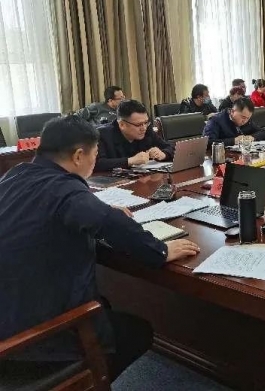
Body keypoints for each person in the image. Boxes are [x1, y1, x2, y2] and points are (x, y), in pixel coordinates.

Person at [0, 115, 199, 382]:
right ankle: (87, 383)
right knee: (136, 332)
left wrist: (95, 206)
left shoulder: (16, 174)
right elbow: (110, 223)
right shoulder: (67, 192)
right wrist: (160, 251)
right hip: (33, 344)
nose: (95, 161)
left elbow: (44, 208)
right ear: (78, 156)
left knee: (104, 304)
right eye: (95, 154)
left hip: (7, 316)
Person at [95, 100, 174, 172]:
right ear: (122, 124)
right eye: (138, 124)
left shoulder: (147, 129)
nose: (144, 128)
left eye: (146, 122)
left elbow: (171, 147)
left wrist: (163, 154)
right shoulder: (101, 135)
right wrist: (130, 161)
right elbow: (97, 163)